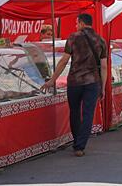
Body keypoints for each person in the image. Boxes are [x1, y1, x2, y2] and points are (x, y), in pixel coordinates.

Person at [41, 13, 107, 157]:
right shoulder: (100, 40)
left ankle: (77, 141)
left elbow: (64, 61)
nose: (75, 26)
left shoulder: (73, 38)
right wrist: (103, 87)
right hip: (92, 82)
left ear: (82, 23)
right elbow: (104, 66)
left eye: (77, 23)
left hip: (74, 82)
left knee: (75, 112)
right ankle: (80, 145)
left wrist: (52, 79)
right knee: (88, 114)